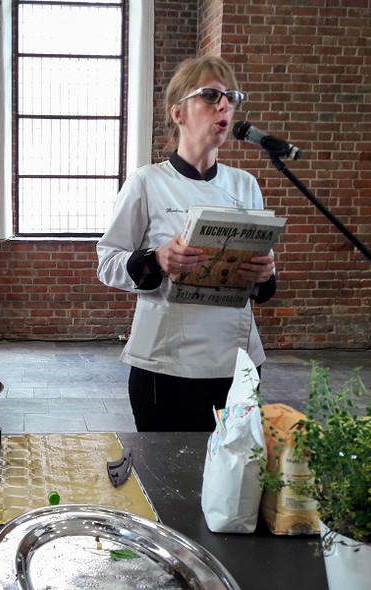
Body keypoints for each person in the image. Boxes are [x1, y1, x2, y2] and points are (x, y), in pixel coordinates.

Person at [96, 56, 276, 432]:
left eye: (230, 96)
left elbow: (260, 283)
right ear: (178, 113)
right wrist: (156, 258)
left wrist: (264, 272)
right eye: (210, 95)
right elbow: (108, 262)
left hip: (236, 361)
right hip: (166, 367)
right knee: (167, 482)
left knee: (233, 478)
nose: (224, 105)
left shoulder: (245, 185)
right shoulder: (147, 182)